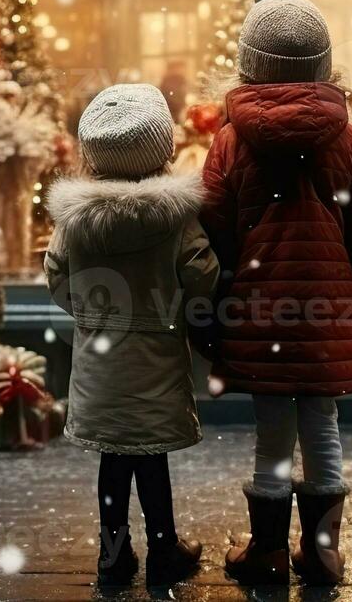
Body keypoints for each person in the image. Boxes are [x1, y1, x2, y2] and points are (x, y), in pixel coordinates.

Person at [200, 0, 352, 586]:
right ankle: (324, 551)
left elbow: (214, 224)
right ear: (323, 66)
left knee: (272, 431)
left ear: (249, 64)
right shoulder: (349, 140)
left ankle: (268, 551)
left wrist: (223, 295)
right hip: (328, 308)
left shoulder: (231, 140)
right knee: (322, 426)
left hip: (260, 309)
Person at [44, 83, 220, 586]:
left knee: (113, 464)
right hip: (156, 356)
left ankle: (112, 555)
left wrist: (89, 314)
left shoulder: (75, 220)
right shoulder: (176, 217)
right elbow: (201, 273)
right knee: (152, 461)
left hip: (100, 359)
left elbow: (57, 274)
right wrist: (181, 309)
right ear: (163, 146)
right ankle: (165, 550)